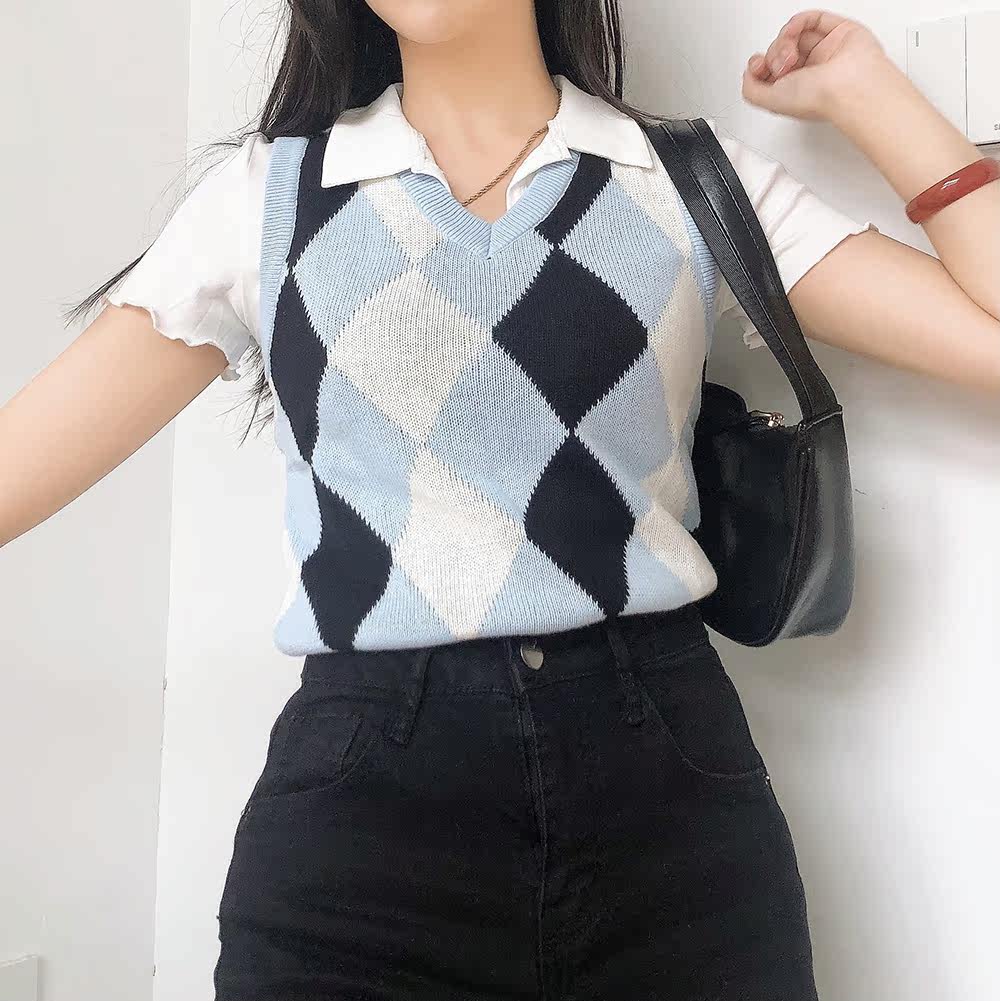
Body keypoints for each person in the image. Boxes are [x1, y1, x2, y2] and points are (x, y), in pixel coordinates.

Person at [3, 2, 998, 998]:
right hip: (359, 848)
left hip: (672, 825)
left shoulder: (684, 180)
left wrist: (869, 94)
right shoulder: (269, 197)